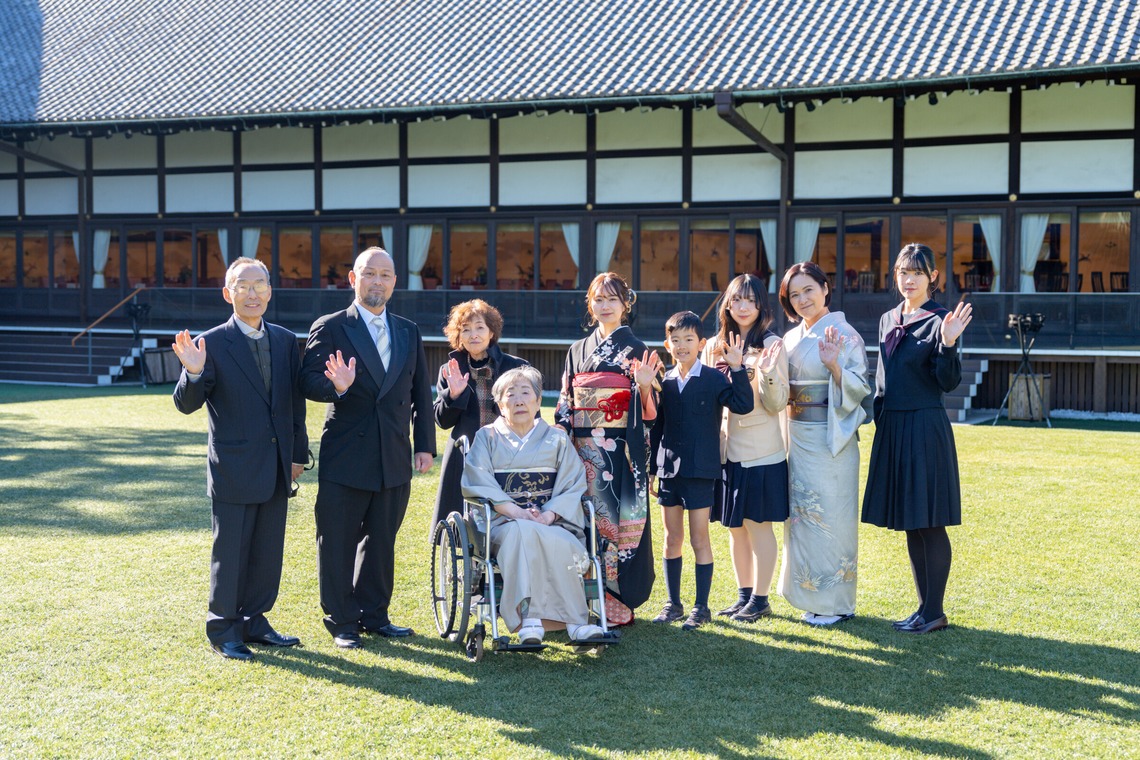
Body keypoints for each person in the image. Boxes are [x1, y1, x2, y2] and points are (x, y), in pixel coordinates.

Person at [171, 256, 307, 661]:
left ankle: (255, 621)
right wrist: (194, 373)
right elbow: (185, 404)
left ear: (270, 291)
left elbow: (294, 404)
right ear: (227, 293)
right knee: (230, 554)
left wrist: (297, 454)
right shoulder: (210, 343)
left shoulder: (285, 340)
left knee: (267, 552)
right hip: (233, 469)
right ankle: (223, 629)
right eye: (242, 286)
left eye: (259, 284)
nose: (252, 293)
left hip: (277, 465)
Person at [300, 247, 436, 650]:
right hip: (347, 453)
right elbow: (307, 381)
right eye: (370, 273)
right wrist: (336, 387)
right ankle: (342, 621)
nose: (378, 281)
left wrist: (425, 445)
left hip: (393, 453)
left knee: (381, 541)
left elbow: (420, 392)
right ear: (353, 279)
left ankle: (375, 615)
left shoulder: (408, 330)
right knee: (337, 541)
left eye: (386, 275)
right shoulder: (330, 326)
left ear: (395, 282)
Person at [862, 244, 972, 634]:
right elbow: (882, 378)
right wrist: (881, 422)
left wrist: (949, 343)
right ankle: (923, 608)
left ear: (932, 278)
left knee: (930, 522)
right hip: (893, 427)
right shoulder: (888, 318)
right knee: (911, 521)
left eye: (917, 273)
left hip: (925, 428)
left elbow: (948, 381)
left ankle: (935, 611)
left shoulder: (941, 320)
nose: (909, 280)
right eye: (903, 273)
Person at [461, 366, 606, 646]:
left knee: (550, 538)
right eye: (510, 395)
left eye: (525, 393)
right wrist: (517, 513)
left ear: (539, 402)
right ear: (499, 404)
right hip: (502, 523)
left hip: (551, 521)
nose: (518, 401)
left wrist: (548, 515)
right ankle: (534, 619)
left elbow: (572, 483)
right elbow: (478, 480)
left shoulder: (556, 439)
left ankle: (573, 622)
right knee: (520, 532)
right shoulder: (487, 437)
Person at [556, 272, 659, 625]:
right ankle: (583, 594)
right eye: (598, 299)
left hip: (619, 451)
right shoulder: (576, 350)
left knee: (615, 523)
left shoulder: (638, 350)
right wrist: (563, 432)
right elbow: (566, 400)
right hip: (581, 450)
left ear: (625, 304)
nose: (605, 306)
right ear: (590, 304)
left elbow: (651, 409)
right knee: (581, 519)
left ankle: (616, 598)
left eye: (612, 299)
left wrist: (643, 388)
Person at [776, 261, 872, 626]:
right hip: (797, 436)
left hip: (831, 439)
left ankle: (837, 603)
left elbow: (861, 389)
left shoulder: (844, 334)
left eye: (808, 290)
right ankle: (809, 596)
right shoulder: (790, 338)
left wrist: (834, 367)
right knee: (802, 519)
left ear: (825, 288)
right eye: (794, 295)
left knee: (832, 519)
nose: (803, 300)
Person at [648, 311, 752, 630]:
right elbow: (657, 428)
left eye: (688, 339)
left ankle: (701, 607)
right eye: (675, 340)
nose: (682, 346)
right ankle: (673, 604)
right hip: (669, 471)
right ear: (667, 344)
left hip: (701, 471)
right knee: (671, 538)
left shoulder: (714, 378)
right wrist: (653, 469)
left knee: (699, 538)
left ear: (701, 343)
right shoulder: (664, 382)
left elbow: (743, 404)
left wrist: (737, 368)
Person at [703, 274, 789, 623]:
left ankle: (761, 598)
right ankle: (743, 595)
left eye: (751, 300)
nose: (743, 307)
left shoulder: (772, 345)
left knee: (758, 525)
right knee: (735, 527)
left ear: (761, 306)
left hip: (761, 451)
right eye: (737, 299)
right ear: (727, 303)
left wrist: (766, 373)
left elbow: (778, 403)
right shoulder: (713, 346)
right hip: (725, 451)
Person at [431, 299, 527, 536]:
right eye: (465, 329)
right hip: (464, 452)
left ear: (491, 332)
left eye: (480, 327)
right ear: (458, 336)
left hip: (507, 453)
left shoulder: (516, 367)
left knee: (507, 519)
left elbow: (530, 416)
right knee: (461, 521)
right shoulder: (450, 370)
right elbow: (442, 421)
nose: (473, 334)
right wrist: (454, 395)